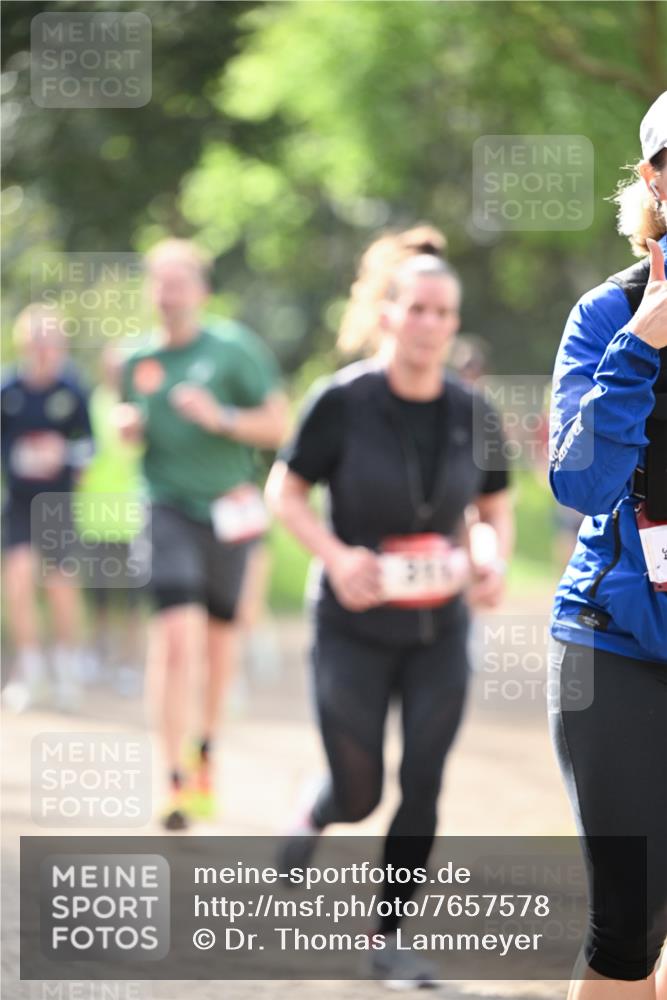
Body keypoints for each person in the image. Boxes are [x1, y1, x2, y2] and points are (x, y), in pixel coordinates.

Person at [265, 225, 513, 987]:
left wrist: (490, 558)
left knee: (424, 779)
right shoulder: (341, 401)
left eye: (444, 313)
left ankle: (387, 936)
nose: (430, 325)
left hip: (438, 628)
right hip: (352, 624)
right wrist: (337, 557)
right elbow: (285, 491)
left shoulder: (472, 411)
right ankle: (318, 810)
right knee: (359, 790)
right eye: (417, 310)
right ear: (388, 315)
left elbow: (493, 508)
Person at [548, 91, 667, 1000]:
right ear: (654, 181)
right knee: (630, 930)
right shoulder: (606, 313)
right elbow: (579, 483)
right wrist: (641, 343)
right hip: (616, 644)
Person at [118, 238, 288, 830]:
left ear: (202, 291)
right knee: (175, 640)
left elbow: (278, 425)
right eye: (159, 283)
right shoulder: (136, 360)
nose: (168, 295)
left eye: (179, 283)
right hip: (166, 508)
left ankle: (204, 754)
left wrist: (222, 417)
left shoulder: (234, 350)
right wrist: (128, 426)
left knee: (219, 647)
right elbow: (132, 420)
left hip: (228, 511)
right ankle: (170, 781)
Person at [1, 304, 93, 712]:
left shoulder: (72, 390)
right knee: (19, 578)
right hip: (19, 503)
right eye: (37, 339)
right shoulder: (8, 390)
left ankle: (66, 667)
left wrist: (63, 454)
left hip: (57, 504)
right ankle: (30, 669)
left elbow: (89, 447)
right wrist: (19, 456)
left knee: (60, 584)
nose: (43, 348)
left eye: (52, 340)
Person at [74, 342, 145, 695]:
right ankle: (98, 654)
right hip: (96, 514)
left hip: (135, 516)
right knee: (98, 593)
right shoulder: (92, 404)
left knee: (133, 596)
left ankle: (130, 662)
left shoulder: (143, 405)